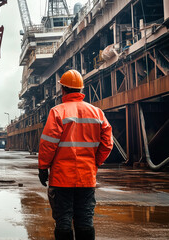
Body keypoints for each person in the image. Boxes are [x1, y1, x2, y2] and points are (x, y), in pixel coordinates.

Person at [38, 69, 113, 240]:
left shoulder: (57, 112)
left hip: (61, 178)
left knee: (63, 220)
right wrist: (96, 162)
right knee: (85, 219)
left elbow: (48, 145)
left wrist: (43, 167)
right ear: (81, 90)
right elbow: (107, 144)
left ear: (63, 89)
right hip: (86, 177)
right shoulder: (97, 112)